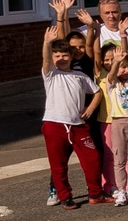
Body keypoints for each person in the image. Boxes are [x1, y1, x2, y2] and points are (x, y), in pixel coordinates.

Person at [40, 22, 104, 209]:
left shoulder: (80, 76)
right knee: (58, 164)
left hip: (78, 125)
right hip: (54, 125)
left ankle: (95, 193)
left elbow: (97, 92)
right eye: (57, 56)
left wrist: (90, 108)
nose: (61, 59)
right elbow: (45, 59)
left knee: (92, 159)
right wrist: (47, 42)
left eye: (65, 55)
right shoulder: (51, 74)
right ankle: (65, 196)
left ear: (71, 56)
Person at [101, 47, 128, 206]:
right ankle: (121, 190)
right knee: (119, 159)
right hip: (117, 122)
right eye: (123, 67)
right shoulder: (112, 83)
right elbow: (112, 75)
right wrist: (116, 62)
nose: (126, 70)